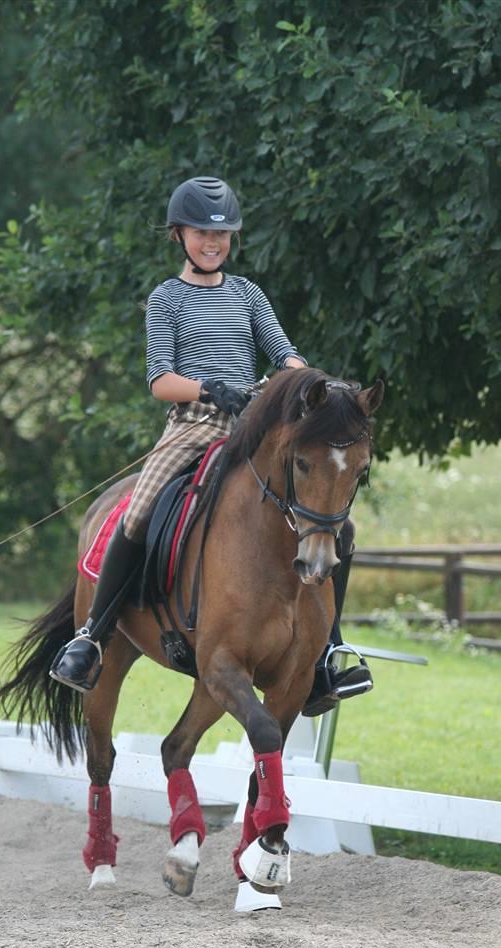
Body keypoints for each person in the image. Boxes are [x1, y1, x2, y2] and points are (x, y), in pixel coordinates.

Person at [50, 175, 372, 715]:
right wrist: (208, 388)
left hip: (254, 428)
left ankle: (326, 653)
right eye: (201, 234)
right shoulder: (167, 298)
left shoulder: (247, 293)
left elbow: (285, 357)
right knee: (139, 512)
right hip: (193, 424)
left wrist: (318, 387)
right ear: (179, 235)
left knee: (338, 523)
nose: (212, 243)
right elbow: (159, 380)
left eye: (221, 236)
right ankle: (91, 636)